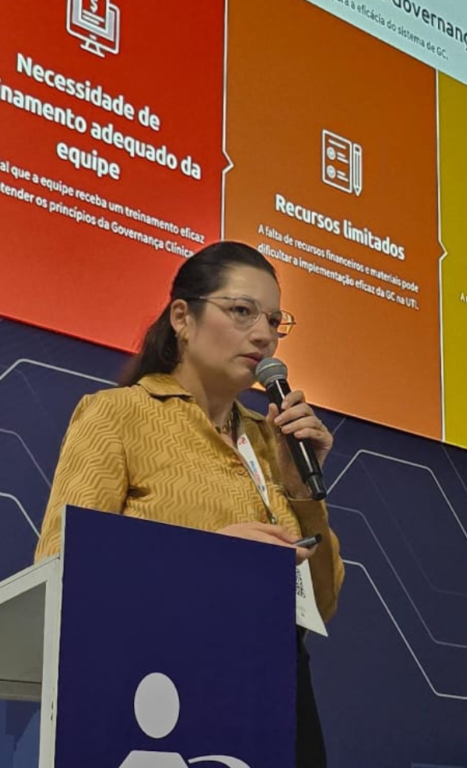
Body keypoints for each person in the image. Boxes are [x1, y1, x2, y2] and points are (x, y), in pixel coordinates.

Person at [34, 241, 342, 767]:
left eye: (273, 321)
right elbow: (61, 566)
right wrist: (208, 559)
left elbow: (323, 604)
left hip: (276, 687)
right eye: (242, 311)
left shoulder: (271, 438)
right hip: (166, 684)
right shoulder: (119, 414)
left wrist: (299, 489)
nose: (264, 335)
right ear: (183, 317)